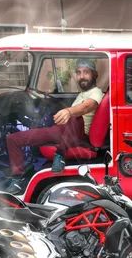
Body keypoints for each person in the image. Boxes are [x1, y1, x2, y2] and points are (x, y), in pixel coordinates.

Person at [6, 59, 104, 193]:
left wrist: (69, 111)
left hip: (79, 134)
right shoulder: (82, 94)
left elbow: (87, 106)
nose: (82, 76)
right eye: (79, 73)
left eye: (86, 72)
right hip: (62, 131)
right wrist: (50, 102)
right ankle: (17, 179)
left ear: (95, 75)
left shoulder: (96, 93)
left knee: (75, 115)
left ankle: (60, 154)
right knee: (13, 139)